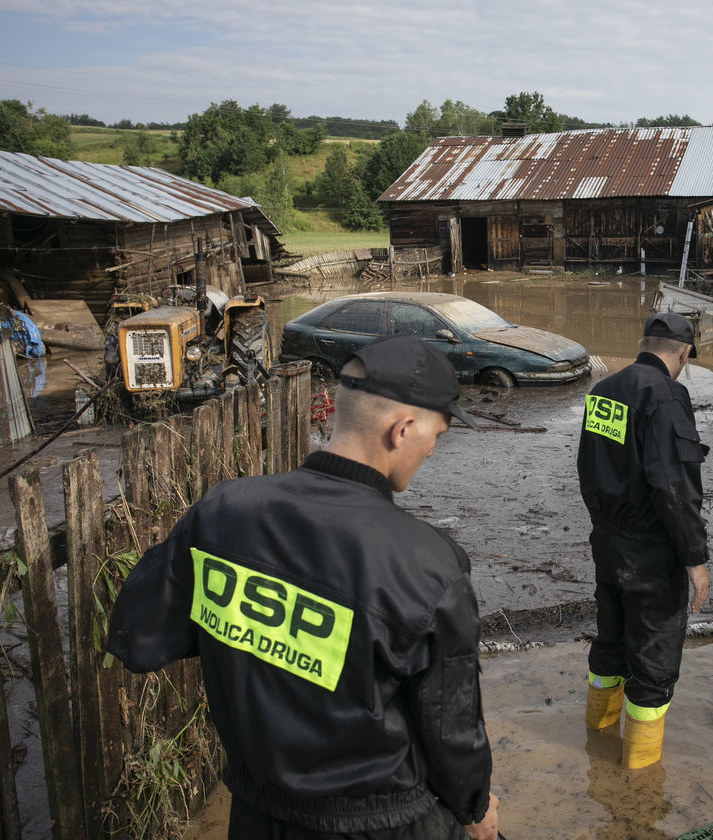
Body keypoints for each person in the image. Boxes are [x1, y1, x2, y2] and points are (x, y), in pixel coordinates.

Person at [107, 334, 499, 840]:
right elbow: (452, 732)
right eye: (437, 436)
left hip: (257, 816)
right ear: (402, 430)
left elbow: (138, 637)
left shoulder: (223, 513)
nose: (432, 450)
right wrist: (475, 807)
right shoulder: (428, 566)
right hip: (384, 823)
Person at [577, 311, 710, 769]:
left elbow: (587, 468)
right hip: (652, 553)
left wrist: (605, 526)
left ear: (642, 343)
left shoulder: (602, 391)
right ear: (684, 354)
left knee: (610, 644)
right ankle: (639, 774)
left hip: (607, 543)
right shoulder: (668, 396)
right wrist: (695, 558)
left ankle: (596, 740)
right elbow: (673, 485)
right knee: (652, 665)